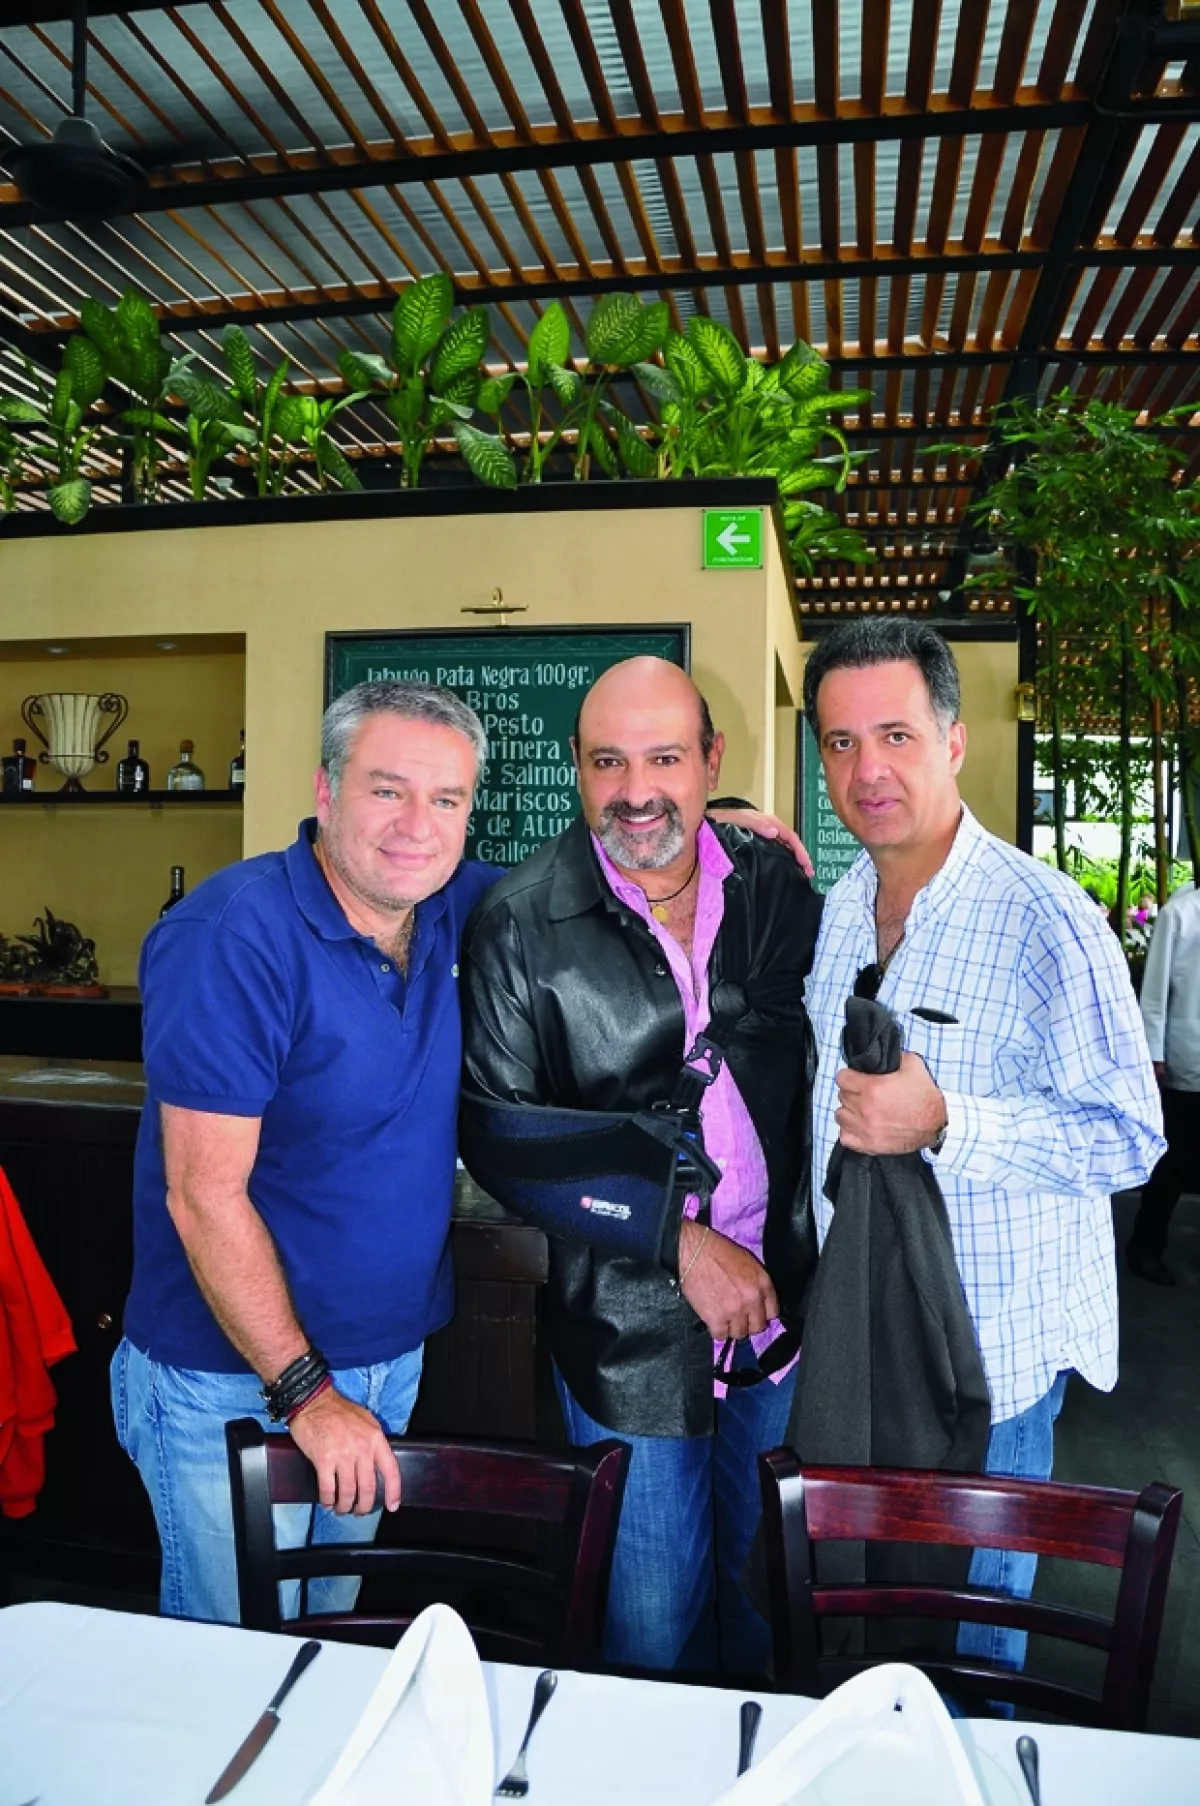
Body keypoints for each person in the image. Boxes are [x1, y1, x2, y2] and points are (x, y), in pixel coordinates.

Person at [801, 618, 1165, 1676]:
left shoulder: (1046, 918)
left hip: (989, 1370)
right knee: (869, 1635)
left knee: (968, 1656)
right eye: (839, 743)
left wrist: (949, 1122)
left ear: (954, 740)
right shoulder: (838, 911)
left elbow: (1131, 1137)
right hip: (864, 1341)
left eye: (896, 735)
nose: (867, 769)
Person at [459, 657, 823, 1678]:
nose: (635, 791)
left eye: (665, 758)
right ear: (575, 767)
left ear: (711, 760)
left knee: (768, 1600)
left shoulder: (776, 891)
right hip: (628, 1331)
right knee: (652, 1623)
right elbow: (497, 1132)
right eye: (608, 762)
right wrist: (673, 1237)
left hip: (782, 1315)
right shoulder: (519, 925)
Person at [112, 680, 498, 1622]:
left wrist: (727, 829)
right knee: (236, 1664)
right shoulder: (231, 935)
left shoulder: (453, 907)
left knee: (330, 1634)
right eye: (386, 789)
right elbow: (204, 1196)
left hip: (382, 1366)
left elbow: (603, 867)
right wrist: (307, 1392)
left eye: (445, 799)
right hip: (233, 1382)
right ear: (326, 793)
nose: (417, 824)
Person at [1127, 880, 1200, 1285]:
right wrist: (1152, 1051)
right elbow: (1153, 992)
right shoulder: (1180, 912)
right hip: (1188, 1054)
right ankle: (1145, 1247)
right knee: (1173, 1162)